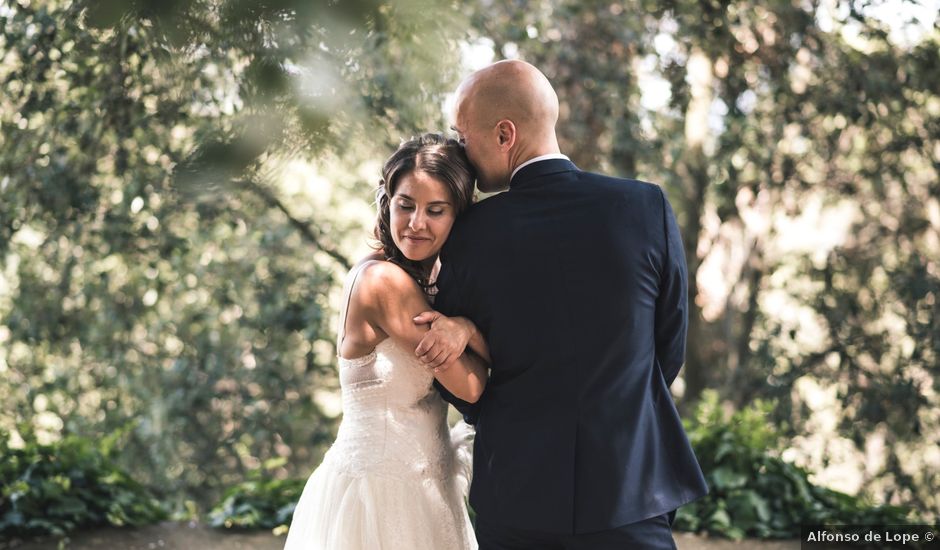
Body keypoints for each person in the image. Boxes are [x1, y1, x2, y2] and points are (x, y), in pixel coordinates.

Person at [414, 60, 709, 549]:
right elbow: (668, 346)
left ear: (504, 134)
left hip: (516, 494)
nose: (459, 153)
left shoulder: (468, 235)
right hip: (631, 487)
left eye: (462, 137)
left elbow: (464, 384)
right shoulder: (644, 207)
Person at [283, 133, 489, 550]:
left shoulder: (426, 280)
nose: (416, 223)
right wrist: (468, 328)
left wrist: (464, 327)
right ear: (387, 201)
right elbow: (471, 385)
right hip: (380, 498)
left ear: (458, 217)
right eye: (405, 205)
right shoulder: (384, 281)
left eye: (436, 210)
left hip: (426, 491)